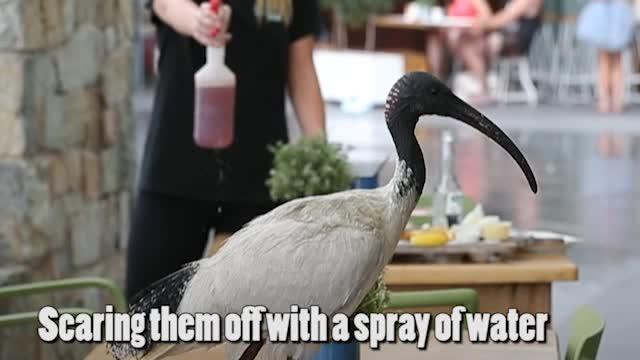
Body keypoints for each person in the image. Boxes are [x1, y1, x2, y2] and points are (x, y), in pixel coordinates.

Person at [126, 0, 326, 301]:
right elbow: (165, 5)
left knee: (257, 323)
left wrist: (320, 152)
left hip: (262, 178)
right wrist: (198, 21)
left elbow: (301, 65)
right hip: (175, 170)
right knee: (146, 317)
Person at [577, 0, 636, 113]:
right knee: (606, 61)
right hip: (604, 13)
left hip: (617, 13)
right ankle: (606, 100)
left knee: (614, 62)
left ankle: (614, 100)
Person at [444, 0, 493, 103]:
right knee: (436, 42)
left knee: (468, 49)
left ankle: (484, 89)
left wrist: (471, 29)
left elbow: (486, 16)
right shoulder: (452, 4)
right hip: (460, 40)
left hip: (476, 36)